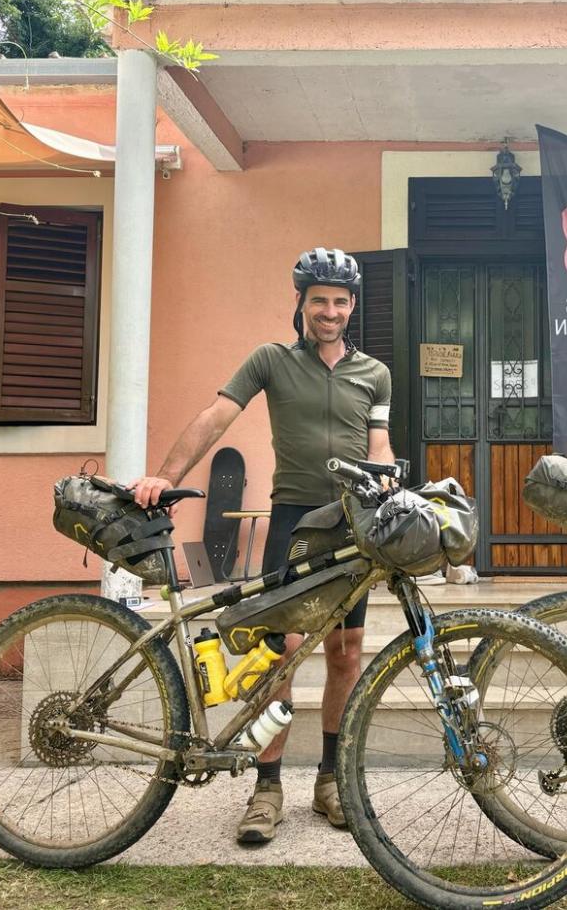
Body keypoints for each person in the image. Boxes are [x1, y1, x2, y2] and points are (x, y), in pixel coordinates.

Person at [132, 247, 394, 844]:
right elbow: (216, 416)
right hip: (295, 519)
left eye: (340, 301)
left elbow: (378, 442)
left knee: (346, 654)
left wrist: (383, 479)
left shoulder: (374, 373)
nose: (329, 311)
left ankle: (331, 781)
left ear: (353, 308)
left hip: (351, 522)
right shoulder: (271, 360)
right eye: (319, 300)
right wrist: (166, 476)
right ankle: (266, 786)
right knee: (282, 652)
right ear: (300, 303)